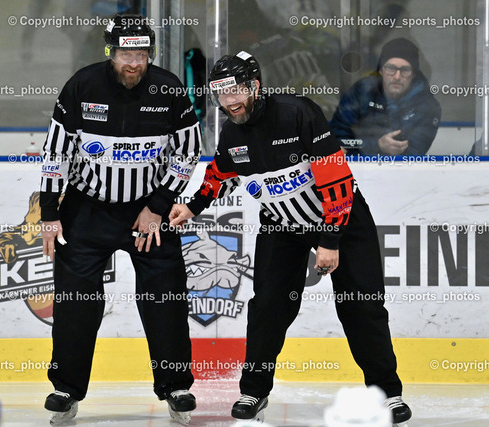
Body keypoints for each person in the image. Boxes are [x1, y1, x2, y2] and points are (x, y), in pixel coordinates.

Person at [169, 51, 412, 425]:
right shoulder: (232, 133)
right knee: (268, 307)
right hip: (282, 226)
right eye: (221, 93)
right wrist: (192, 206)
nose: (230, 101)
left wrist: (330, 240)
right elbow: (219, 174)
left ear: (255, 87)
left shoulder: (297, 113)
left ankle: (387, 393)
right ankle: (254, 390)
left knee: (362, 307)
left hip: (341, 221)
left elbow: (336, 178)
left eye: (236, 90)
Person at [38, 13, 201, 425]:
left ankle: (175, 386)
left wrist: (158, 206)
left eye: (142, 54)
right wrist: (50, 214)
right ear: (110, 53)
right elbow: (56, 153)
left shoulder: (169, 89)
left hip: (148, 211)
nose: (134, 62)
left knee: (165, 298)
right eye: (127, 54)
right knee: (76, 302)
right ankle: (66, 388)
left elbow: (188, 152)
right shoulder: (82, 86)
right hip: (87, 210)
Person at [331, 37, 441, 155]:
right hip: (358, 165)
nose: (397, 76)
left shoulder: (427, 106)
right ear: (381, 70)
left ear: (414, 74)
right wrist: (377, 145)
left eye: (405, 70)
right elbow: (338, 139)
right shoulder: (362, 91)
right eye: (391, 68)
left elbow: (414, 153)